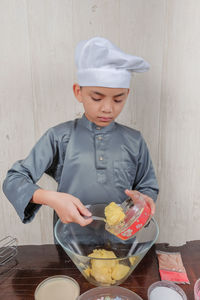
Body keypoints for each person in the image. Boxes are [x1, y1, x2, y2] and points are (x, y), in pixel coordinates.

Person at [3, 37, 159, 230]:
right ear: (78, 92)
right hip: (70, 244)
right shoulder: (59, 137)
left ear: (127, 94)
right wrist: (51, 198)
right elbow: (14, 180)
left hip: (122, 244)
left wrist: (144, 200)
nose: (107, 108)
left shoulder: (134, 141)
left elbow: (147, 186)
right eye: (96, 98)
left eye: (118, 100)